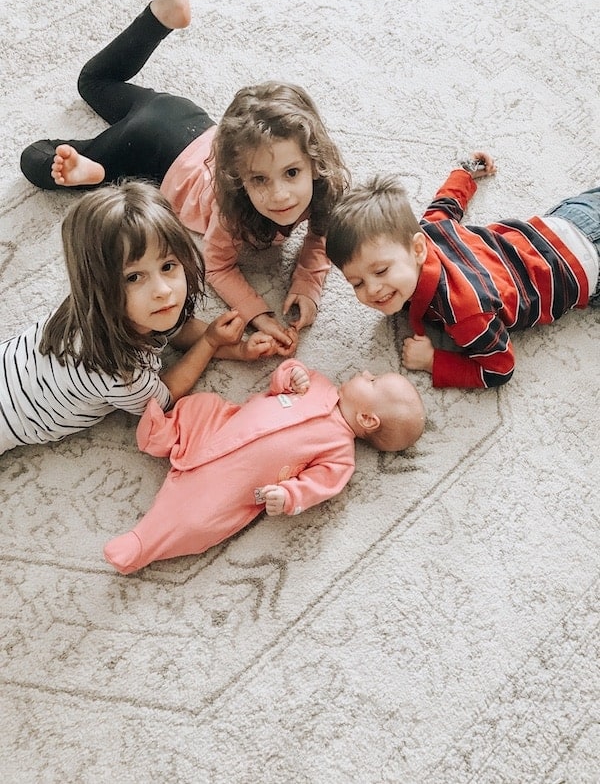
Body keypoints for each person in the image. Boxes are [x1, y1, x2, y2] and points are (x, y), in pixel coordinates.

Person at [19, 0, 350, 356]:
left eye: (291, 174)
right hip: (145, 151)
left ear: (314, 161)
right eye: (259, 180)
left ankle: (161, 16)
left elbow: (319, 238)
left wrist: (307, 284)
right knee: (36, 159)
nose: (280, 195)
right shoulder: (232, 208)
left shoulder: (323, 187)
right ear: (237, 177)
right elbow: (217, 265)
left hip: (181, 115)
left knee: (93, 82)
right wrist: (258, 314)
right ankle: (99, 174)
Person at [0, 180, 278, 455]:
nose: (162, 291)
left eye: (168, 266)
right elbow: (163, 397)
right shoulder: (118, 370)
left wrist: (239, 348)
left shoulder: (100, 302)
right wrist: (209, 342)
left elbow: (174, 328)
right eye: (134, 277)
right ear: (98, 285)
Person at [103, 358, 425, 574]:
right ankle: (162, 433)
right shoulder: (318, 384)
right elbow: (279, 383)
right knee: (203, 408)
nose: (365, 373)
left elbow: (317, 486)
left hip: (234, 482)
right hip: (225, 426)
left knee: (201, 520)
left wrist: (289, 497)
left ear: (368, 419)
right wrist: (291, 374)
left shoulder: (340, 454)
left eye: (373, 380)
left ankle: (142, 543)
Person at [325, 153, 599, 388]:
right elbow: (446, 205)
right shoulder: (430, 231)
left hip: (582, 270)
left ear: (418, 249)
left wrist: (434, 361)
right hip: (564, 221)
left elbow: (500, 369)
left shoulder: (465, 311)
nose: (371, 289)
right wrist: (465, 170)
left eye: (381, 271)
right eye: (356, 283)